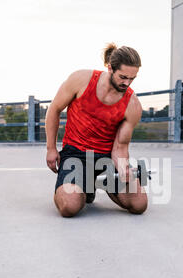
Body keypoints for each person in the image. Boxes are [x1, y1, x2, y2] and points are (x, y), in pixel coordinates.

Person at [45, 43, 148, 218]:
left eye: (132, 78)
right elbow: (54, 109)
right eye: (123, 77)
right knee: (70, 206)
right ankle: (85, 186)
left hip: (107, 158)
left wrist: (123, 169)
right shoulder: (81, 80)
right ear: (110, 68)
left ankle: (97, 183)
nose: (127, 83)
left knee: (139, 204)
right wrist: (51, 148)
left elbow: (120, 147)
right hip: (75, 154)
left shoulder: (132, 104)